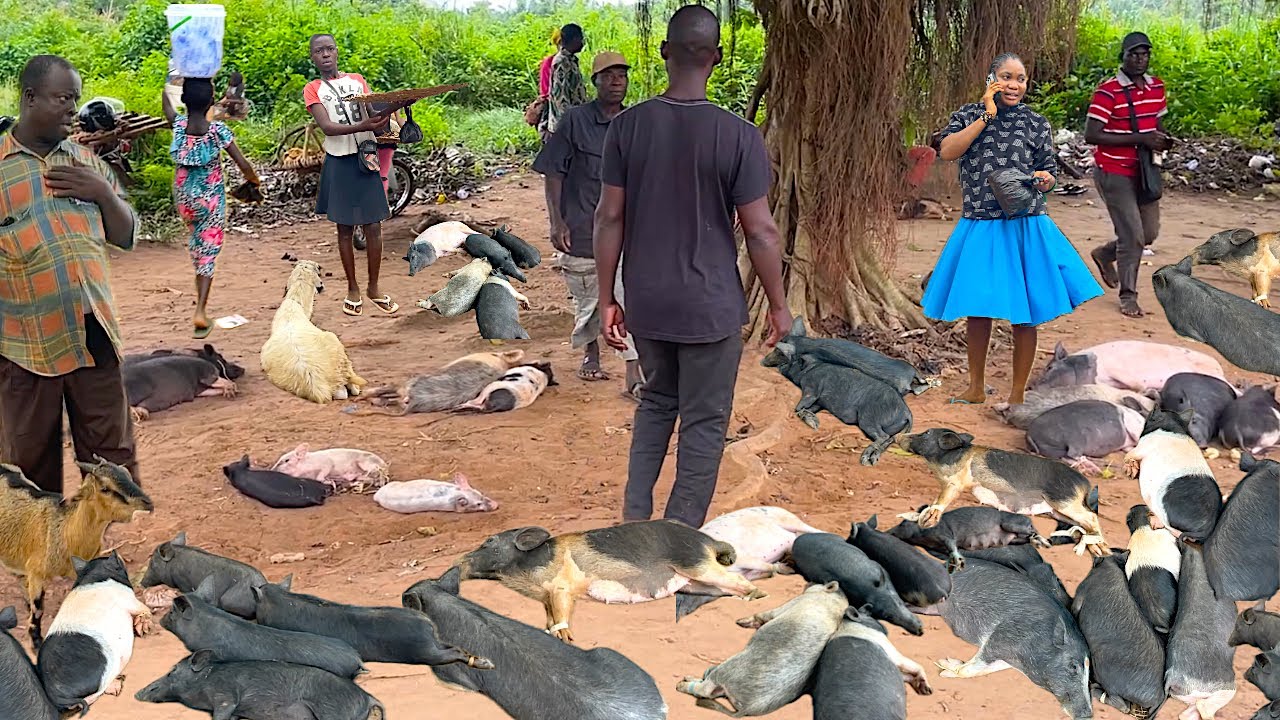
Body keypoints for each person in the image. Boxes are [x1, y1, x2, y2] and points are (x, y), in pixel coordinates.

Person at [594, 5, 791, 529]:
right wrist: (777, 305)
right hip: (710, 305)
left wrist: (607, 299)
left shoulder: (626, 128)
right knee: (704, 420)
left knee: (656, 402)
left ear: (664, 52)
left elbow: (608, 217)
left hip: (648, 300)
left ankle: (635, 520)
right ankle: (679, 532)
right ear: (717, 58)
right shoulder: (739, 135)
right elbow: (760, 231)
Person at [922, 52, 1103, 406]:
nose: (1014, 85)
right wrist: (986, 116)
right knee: (978, 308)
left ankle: (1018, 393)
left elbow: (1049, 171)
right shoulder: (968, 115)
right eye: (1006, 77)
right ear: (991, 80)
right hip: (981, 221)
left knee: (1026, 311)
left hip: (1024, 223)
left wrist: (1046, 180)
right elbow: (948, 151)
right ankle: (975, 387)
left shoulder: (1036, 123)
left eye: (1020, 79)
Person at [0, 55, 140, 493]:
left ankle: (98, 535)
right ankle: (41, 536)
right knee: (28, 464)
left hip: (93, 330)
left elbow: (125, 235)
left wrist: (103, 194)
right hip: (25, 344)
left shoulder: (86, 162)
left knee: (110, 459)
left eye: (75, 99)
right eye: (63, 98)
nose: (73, 109)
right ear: (30, 98)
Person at [533, 51, 644, 399]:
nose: (616, 81)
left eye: (622, 75)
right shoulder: (575, 120)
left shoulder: (635, 123)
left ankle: (633, 374)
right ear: (594, 82)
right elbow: (553, 171)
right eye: (608, 76)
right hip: (583, 224)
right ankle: (590, 349)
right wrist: (557, 221)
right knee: (587, 296)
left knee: (628, 296)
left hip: (625, 229)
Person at [304, 33, 411, 317]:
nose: (325, 54)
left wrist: (398, 105)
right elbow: (327, 127)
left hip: (366, 159)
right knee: (345, 228)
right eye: (319, 51)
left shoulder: (357, 81)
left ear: (337, 52)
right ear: (313, 57)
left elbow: (374, 113)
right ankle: (352, 288)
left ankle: (374, 288)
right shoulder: (313, 89)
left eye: (329, 49)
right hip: (339, 162)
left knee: (374, 225)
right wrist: (363, 126)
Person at [162, 77, 261, 338]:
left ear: (184, 100)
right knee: (207, 253)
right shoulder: (217, 131)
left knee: (197, 244)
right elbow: (243, 164)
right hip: (210, 201)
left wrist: (170, 80)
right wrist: (254, 181)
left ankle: (199, 285)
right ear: (212, 101)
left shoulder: (179, 125)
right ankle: (200, 311)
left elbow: (167, 107)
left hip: (184, 200)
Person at [1085, 31, 1173, 318]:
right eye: (1133, 54)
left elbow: (1156, 124)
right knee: (1132, 235)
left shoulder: (1156, 87)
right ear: (1122, 57)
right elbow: (1091, 135)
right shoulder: (1107, 91)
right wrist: (1140, 139)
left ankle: (1104, 254)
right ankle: (1128, 295)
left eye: (1144, 54)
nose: (1139, 59)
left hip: (1145, 171)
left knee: (1148, 233)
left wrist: (1161, 141)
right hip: (1114, 172)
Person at [543, 24, 589, 144]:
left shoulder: (571, 60)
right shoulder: (562, 62)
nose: (583, 43)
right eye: (581, 39)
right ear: (574, 39)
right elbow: (561, 97)